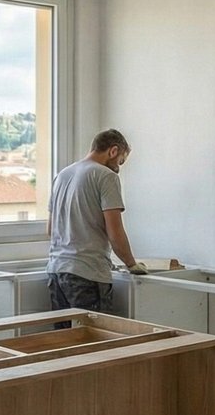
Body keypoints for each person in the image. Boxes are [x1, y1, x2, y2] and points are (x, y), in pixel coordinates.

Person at [46, 129, 146, 314]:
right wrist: (131, 263)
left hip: (56, 270)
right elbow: (115, 232)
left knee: (65, 332)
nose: (119, 167)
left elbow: (50, 229)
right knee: (94, 332)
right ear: (113, 151)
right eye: (121, 161)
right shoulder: (106, 176)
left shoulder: (62, 175)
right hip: (87, 273)